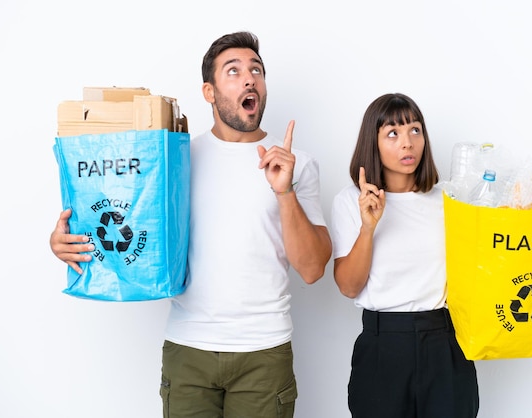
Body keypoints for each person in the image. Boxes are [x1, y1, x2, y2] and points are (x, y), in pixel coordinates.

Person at [49, 31, 332, 417]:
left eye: (256, 70)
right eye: (233, 71)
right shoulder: (173, 159)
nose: (249, 78)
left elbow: (313, 269)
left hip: (264, 352)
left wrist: (285, 192)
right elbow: (125, 222)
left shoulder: (297, 163)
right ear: (209, 92)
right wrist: (70, 240)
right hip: (188, 350)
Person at [330, 92, 532, 418]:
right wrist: (368, 227)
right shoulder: (352, 201)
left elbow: (492, 263)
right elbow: (348, 286)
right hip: (382, 346)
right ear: (371, 144)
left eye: (415, 130)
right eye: (393, 133)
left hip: (446, 341)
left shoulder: (453, 200)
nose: (408, 143)